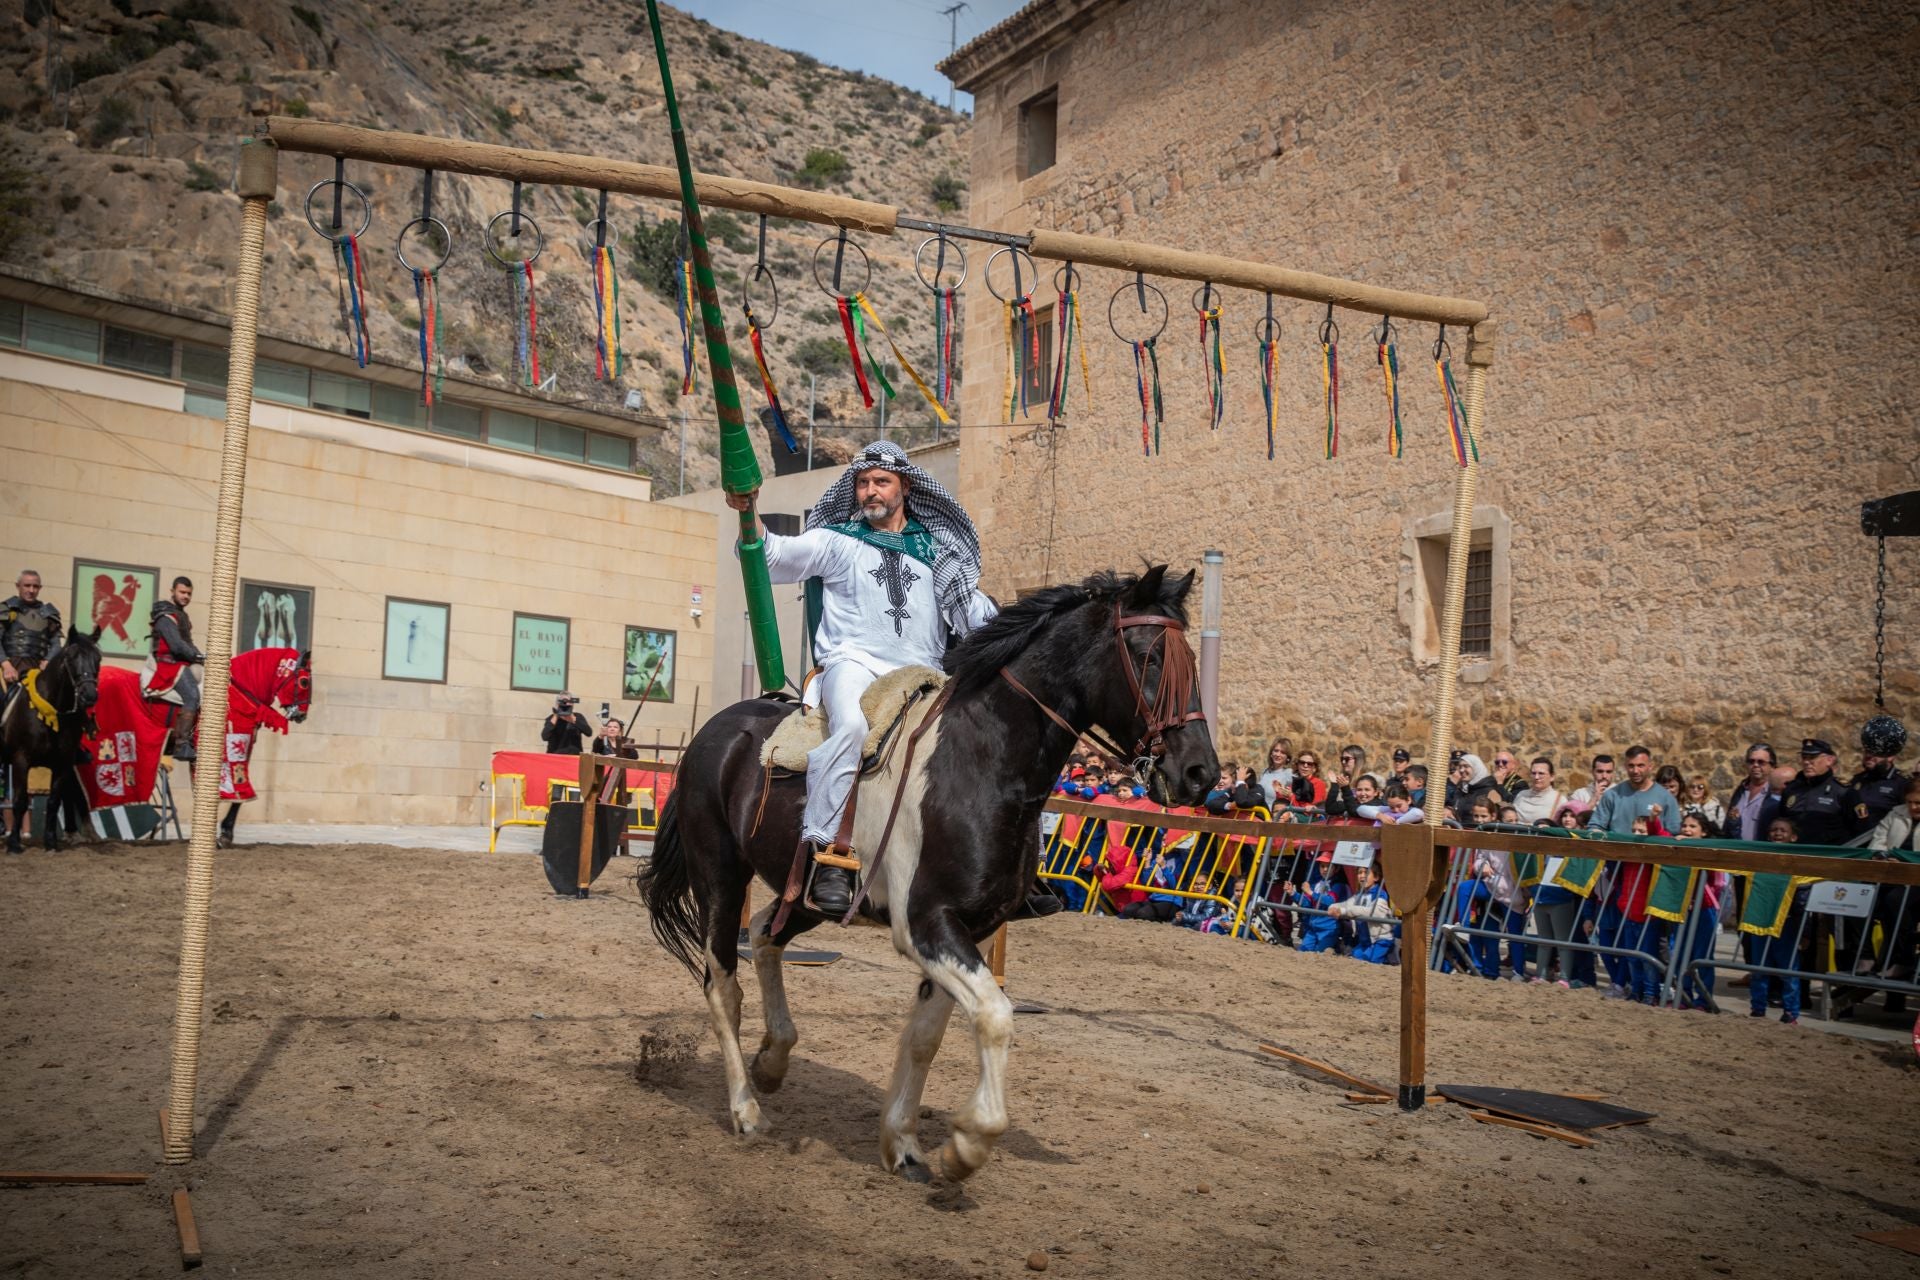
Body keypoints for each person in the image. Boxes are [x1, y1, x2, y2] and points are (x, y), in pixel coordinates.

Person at [727, 441, 997, 915]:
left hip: (922, 675)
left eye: (881, 482)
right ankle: (830, 854)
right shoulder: (837, 541)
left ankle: (999, 864)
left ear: (906, 488)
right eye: (863, 482)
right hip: (852, 665)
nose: (870, 491)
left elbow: (977, 616)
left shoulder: (938, 551)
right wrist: (749, 513)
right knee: (850, 727)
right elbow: (770, 556)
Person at [1, 569, 65, 839]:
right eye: (26, 586)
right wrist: (4, 663)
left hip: (37, 671)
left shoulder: (49, 613)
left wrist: (48, 660)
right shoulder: (7, 609)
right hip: (9, 668)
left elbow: (54, 642)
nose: (31, 590)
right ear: (18, 586)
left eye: (35, 586)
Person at [1749, 815, 1807, 1025]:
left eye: (1783, 830)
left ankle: (1791, 1011)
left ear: (1793, 837)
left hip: (1787, 921)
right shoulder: (1761, 858)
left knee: (1788, 969)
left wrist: (1803, 926)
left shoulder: (1799, 863)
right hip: (1761, 919)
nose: (1777, 834)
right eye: (1774, 830)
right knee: (1759, 967)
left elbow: (1802, 895)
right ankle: (1758, 1008)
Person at [144, 576, 204, 762]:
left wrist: (201, 656)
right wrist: (196, 656)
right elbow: (177, 646)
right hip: (169, 663)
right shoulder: (166, 616)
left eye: (189, 594)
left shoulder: (181, 615)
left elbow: (188, 643)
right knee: (192, 695)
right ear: (173, 591)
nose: (185, 596)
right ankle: (181, 744)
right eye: (182, 592)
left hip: (181, 661)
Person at [1675, 812, 1730, 1010]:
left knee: (1702, 955)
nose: (1687, 830)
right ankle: (1684, 995)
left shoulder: (1711, 851)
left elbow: (1718, 883)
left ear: (1704, 832)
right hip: (1684, 908)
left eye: (1692, 827)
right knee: (1681, 954)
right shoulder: (1679, 847)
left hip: (1705, 908)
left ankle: (1703, 998)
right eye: (1685, 826)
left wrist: (1696, 898)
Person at [1779, 738, 1868, 847]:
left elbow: (1860, 830)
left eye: (1812, 758)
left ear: (1829, 760)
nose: (1807, 762)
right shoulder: (1791, 790)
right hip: (1794, 855)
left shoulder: (1843, 792)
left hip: (1829, 857)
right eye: (1804, 757)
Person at [1329, 861, 1398, 963]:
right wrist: (1333, 907)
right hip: (1365, 941)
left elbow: (1370, 912)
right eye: (1359, 873)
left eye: (1366, 873)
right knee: (1354, 958)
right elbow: (1347, 904)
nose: (1362, 876)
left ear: (1376, 877)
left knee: (1373, 961)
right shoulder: (1360, 895)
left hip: (1380, 940)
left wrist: (1344, 911)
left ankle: (1390, 957)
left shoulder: (1380, 895)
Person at [1851, 715, 1911, 827]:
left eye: (1875, 752)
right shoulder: (1857, 780)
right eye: (1867, 751)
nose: (1869, 755)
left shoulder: (1901, 785)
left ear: (1890, 756)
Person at [1725, 744, 1780, 841]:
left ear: (1773, 767)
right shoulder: (1740, 791)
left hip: (1761, 852)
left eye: (1761, 762)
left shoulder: (1775, 794)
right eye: (1751, 761)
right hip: (1736, 851)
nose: (1755, 765)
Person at [1512, 757, 1564, 826]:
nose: (1536, 777)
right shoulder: (1521, 795)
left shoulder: (1560, 801)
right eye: (1533, 773)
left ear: (1552, 777)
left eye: (1541, 773)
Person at [1256, 737, 1295, 809]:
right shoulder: (1265, 772)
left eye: (1282, 752)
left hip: (1275, 816)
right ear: (1271, 753)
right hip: (1260, 814)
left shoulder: (1289, 773)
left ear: (1288, 757)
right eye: (1276, 751)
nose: (1278, 754)